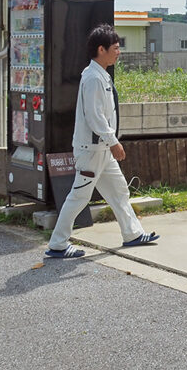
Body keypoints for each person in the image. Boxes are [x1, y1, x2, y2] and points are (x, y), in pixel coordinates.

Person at [45, 24, 158, 258]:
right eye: (115, 48)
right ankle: (57, 244)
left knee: (118, 191)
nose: (119, 52)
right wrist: (113, 141)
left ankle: (132, 234)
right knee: (79, 196)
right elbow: (95, 116)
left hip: (101, 149)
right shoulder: (94, 78)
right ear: (101, 49)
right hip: (93, 150)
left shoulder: (100, 74)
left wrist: (110, 143)